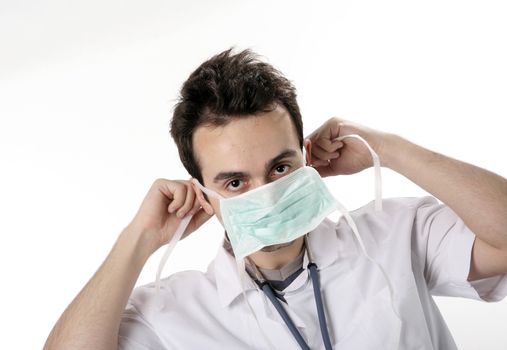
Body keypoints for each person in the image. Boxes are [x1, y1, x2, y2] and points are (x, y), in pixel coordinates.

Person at [43, 48, 507, 350]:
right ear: (203, 196)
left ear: (307, 160)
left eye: (280, 169)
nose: (265, 197)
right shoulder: (173, 311)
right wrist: (137, 240)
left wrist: (383, 149)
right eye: (234, 183)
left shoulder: (396, 236)